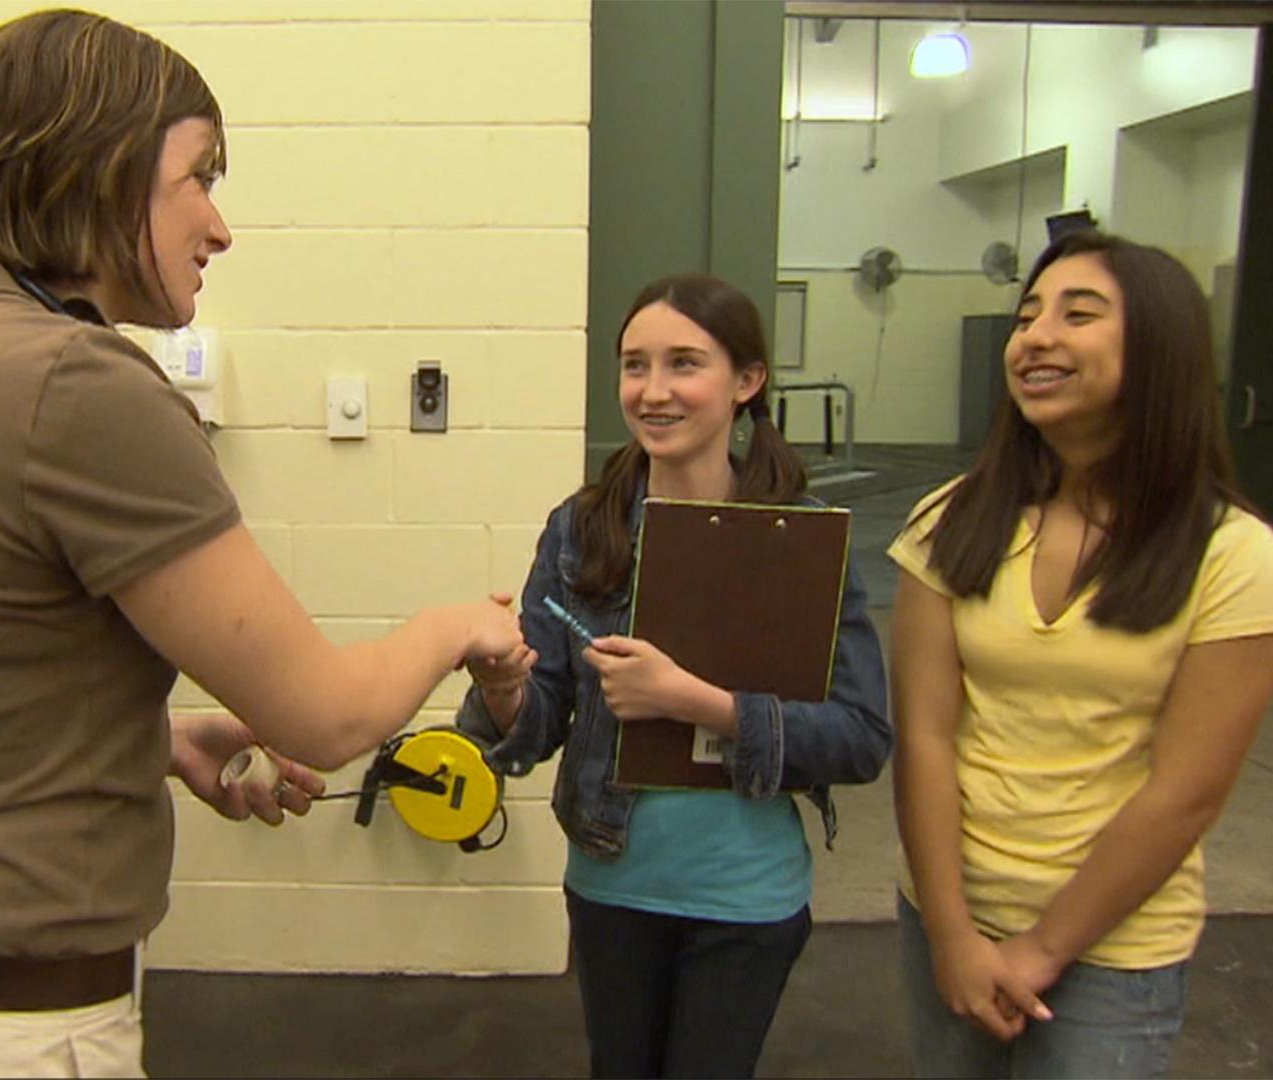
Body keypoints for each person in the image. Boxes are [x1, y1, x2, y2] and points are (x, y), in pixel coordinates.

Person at [0, 10, 524, 1079]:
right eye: (200, 178)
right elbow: (327, 718)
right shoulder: (76, 385)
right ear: (99, 169)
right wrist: (460, 624)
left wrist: (148, 741)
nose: (219, 227)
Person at [457, 274, 892, 1078]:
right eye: (633, 366)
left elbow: (863, 738)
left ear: (747, 381)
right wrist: (503, 686)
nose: (652, 392)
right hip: (611, 882)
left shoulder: (800, 538)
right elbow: (540, 716)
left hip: (747, 902)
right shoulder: (580, 528)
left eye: (684, 364)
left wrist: (701, 705)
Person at [888, 230, 1273, 1079]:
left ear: (1159, 346)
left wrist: (1041, 949)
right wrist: (952, 932)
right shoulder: (949, 522)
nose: (1035, 337)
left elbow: (1187, 791)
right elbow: (923, 739)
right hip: (949, 923)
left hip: (1113, 947)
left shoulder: (1234, 554)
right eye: (1027, 317)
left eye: (1078, 314)